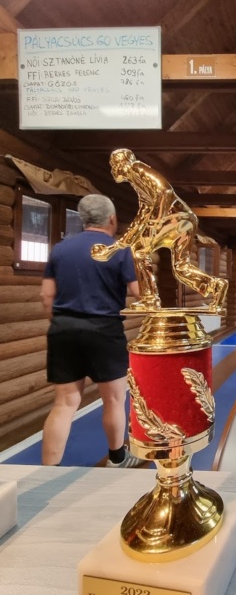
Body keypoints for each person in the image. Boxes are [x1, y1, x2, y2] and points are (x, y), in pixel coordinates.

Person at [40, 194, 144, 468]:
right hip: (104, 330)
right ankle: (117, 458)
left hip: (63, 329)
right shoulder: (120, 249)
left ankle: (46, 472)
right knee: (114, 399)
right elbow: (139, 292)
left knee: (65, 403)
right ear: (112, 219)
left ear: (83, 219)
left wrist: (64, 323)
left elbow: (46, 296)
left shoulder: (60, 249)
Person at [90, 148, 228, 313]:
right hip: (184, 220)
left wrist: (154, 224)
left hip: (176, 218)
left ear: (122, 162)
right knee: (180, 268)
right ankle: (216, 285)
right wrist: (113, 248)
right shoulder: (139, 187)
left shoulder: (137, 168)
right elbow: (139, 221)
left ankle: (150, 299)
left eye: (114, 164)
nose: (113, 169)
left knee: (140, 252)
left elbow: (165, 192)